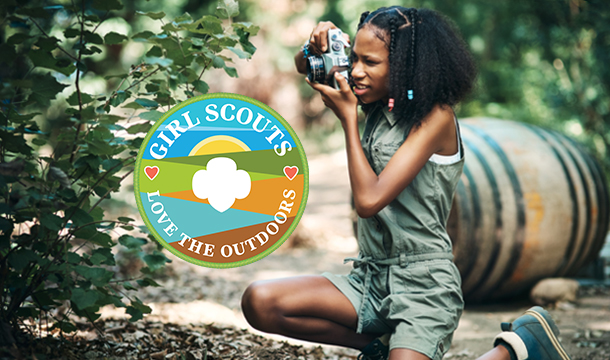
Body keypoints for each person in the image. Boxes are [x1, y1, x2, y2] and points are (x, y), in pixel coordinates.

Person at [241, 6, 572, 360]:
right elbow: (302, 66)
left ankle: (515, 349)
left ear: (403, 67)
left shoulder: (435, 118)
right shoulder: (378, 102)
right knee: (260, 302)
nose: (356, 72)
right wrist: (313, 47)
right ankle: (378, 348)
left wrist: (348, 122)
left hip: (424, 285)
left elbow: (368, 202)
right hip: (368, 278)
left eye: (370, 62)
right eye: (354, 59)